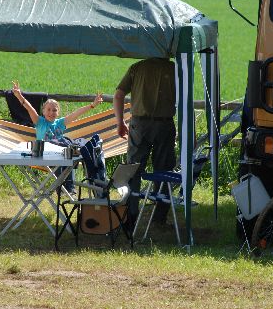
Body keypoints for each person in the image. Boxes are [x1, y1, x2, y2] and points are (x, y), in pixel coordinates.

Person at [113, 57, 176, 228]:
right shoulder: (174, 68)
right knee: (164, 171)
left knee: (133, 170)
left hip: (139, 125)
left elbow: (119, 94)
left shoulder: (137, 67)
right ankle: (160, 216)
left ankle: (131, 215)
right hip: (165, 124)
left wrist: (120, 123)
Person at [12, 80, 103, 192]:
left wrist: (92, 106)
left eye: (54, 110)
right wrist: (19, 95)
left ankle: (69, 190)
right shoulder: (40, 122)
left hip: (61, 154)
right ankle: (65, 190)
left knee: (68, 157)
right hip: (44, 155)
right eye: (49, 110)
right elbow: (29, 108)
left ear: (58, 112)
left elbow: (76, 113)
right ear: (43, 112)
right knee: (65, 155)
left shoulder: (60, 123)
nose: (51, 112)